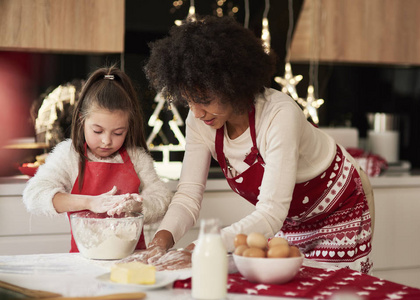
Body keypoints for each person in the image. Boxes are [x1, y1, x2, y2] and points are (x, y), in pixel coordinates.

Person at [124, 16, 375, 274]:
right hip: (289, 217)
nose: (197, 113)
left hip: (339, 206)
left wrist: (204, 247)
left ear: (233, 84)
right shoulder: (200, 121)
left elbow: (270, 211)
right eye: (189, 102)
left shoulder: (279, 115)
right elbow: (188, 195)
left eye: (205, 100)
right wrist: (160, 241)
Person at [23, 66, 172, 252]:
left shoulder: (137, 158)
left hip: (132, 258)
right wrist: (89, 203)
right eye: (97, 131)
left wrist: (138, 206)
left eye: (118, 132)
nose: (107, 141)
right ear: (81, 120)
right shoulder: (69, 155)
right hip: (83, 259)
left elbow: (162, 198)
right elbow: (34, 195)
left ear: (128, 126)